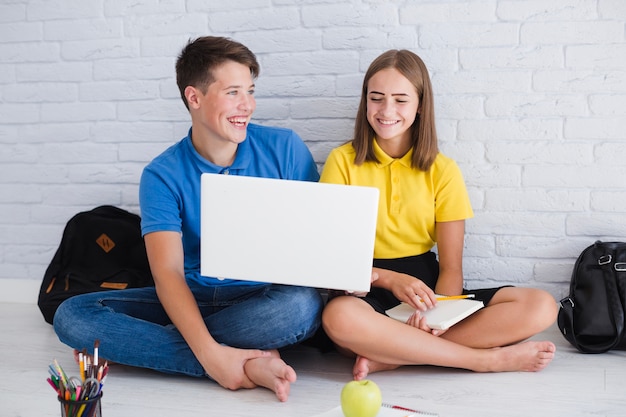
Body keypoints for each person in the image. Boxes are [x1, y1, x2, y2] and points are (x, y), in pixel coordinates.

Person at [53, 36, 324, 402]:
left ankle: (154, 345)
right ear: (194, 97)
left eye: (250, 90)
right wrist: (210, 356)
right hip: (191, 296)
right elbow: (169, 275)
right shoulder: (161, 175)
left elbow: (315, 239)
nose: (248, 105)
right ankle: (231, 360)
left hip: (265, 295)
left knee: (300, 307)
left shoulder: (285, 149)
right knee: (72, 314)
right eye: (233, 93)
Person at [319, 49, 558, 380]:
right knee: (339, 319)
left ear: (420, 106)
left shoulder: (442, 170)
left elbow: (451, 267)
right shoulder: (341, 161)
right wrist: (389, 279)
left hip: (428, 289)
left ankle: (394, 356)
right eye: (377, 98)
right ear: (365, 103)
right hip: (364, 287)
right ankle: (482, 360)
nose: (387, 111)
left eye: (400, 100)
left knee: (542, 305)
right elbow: (332, 259)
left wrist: (438, 314)